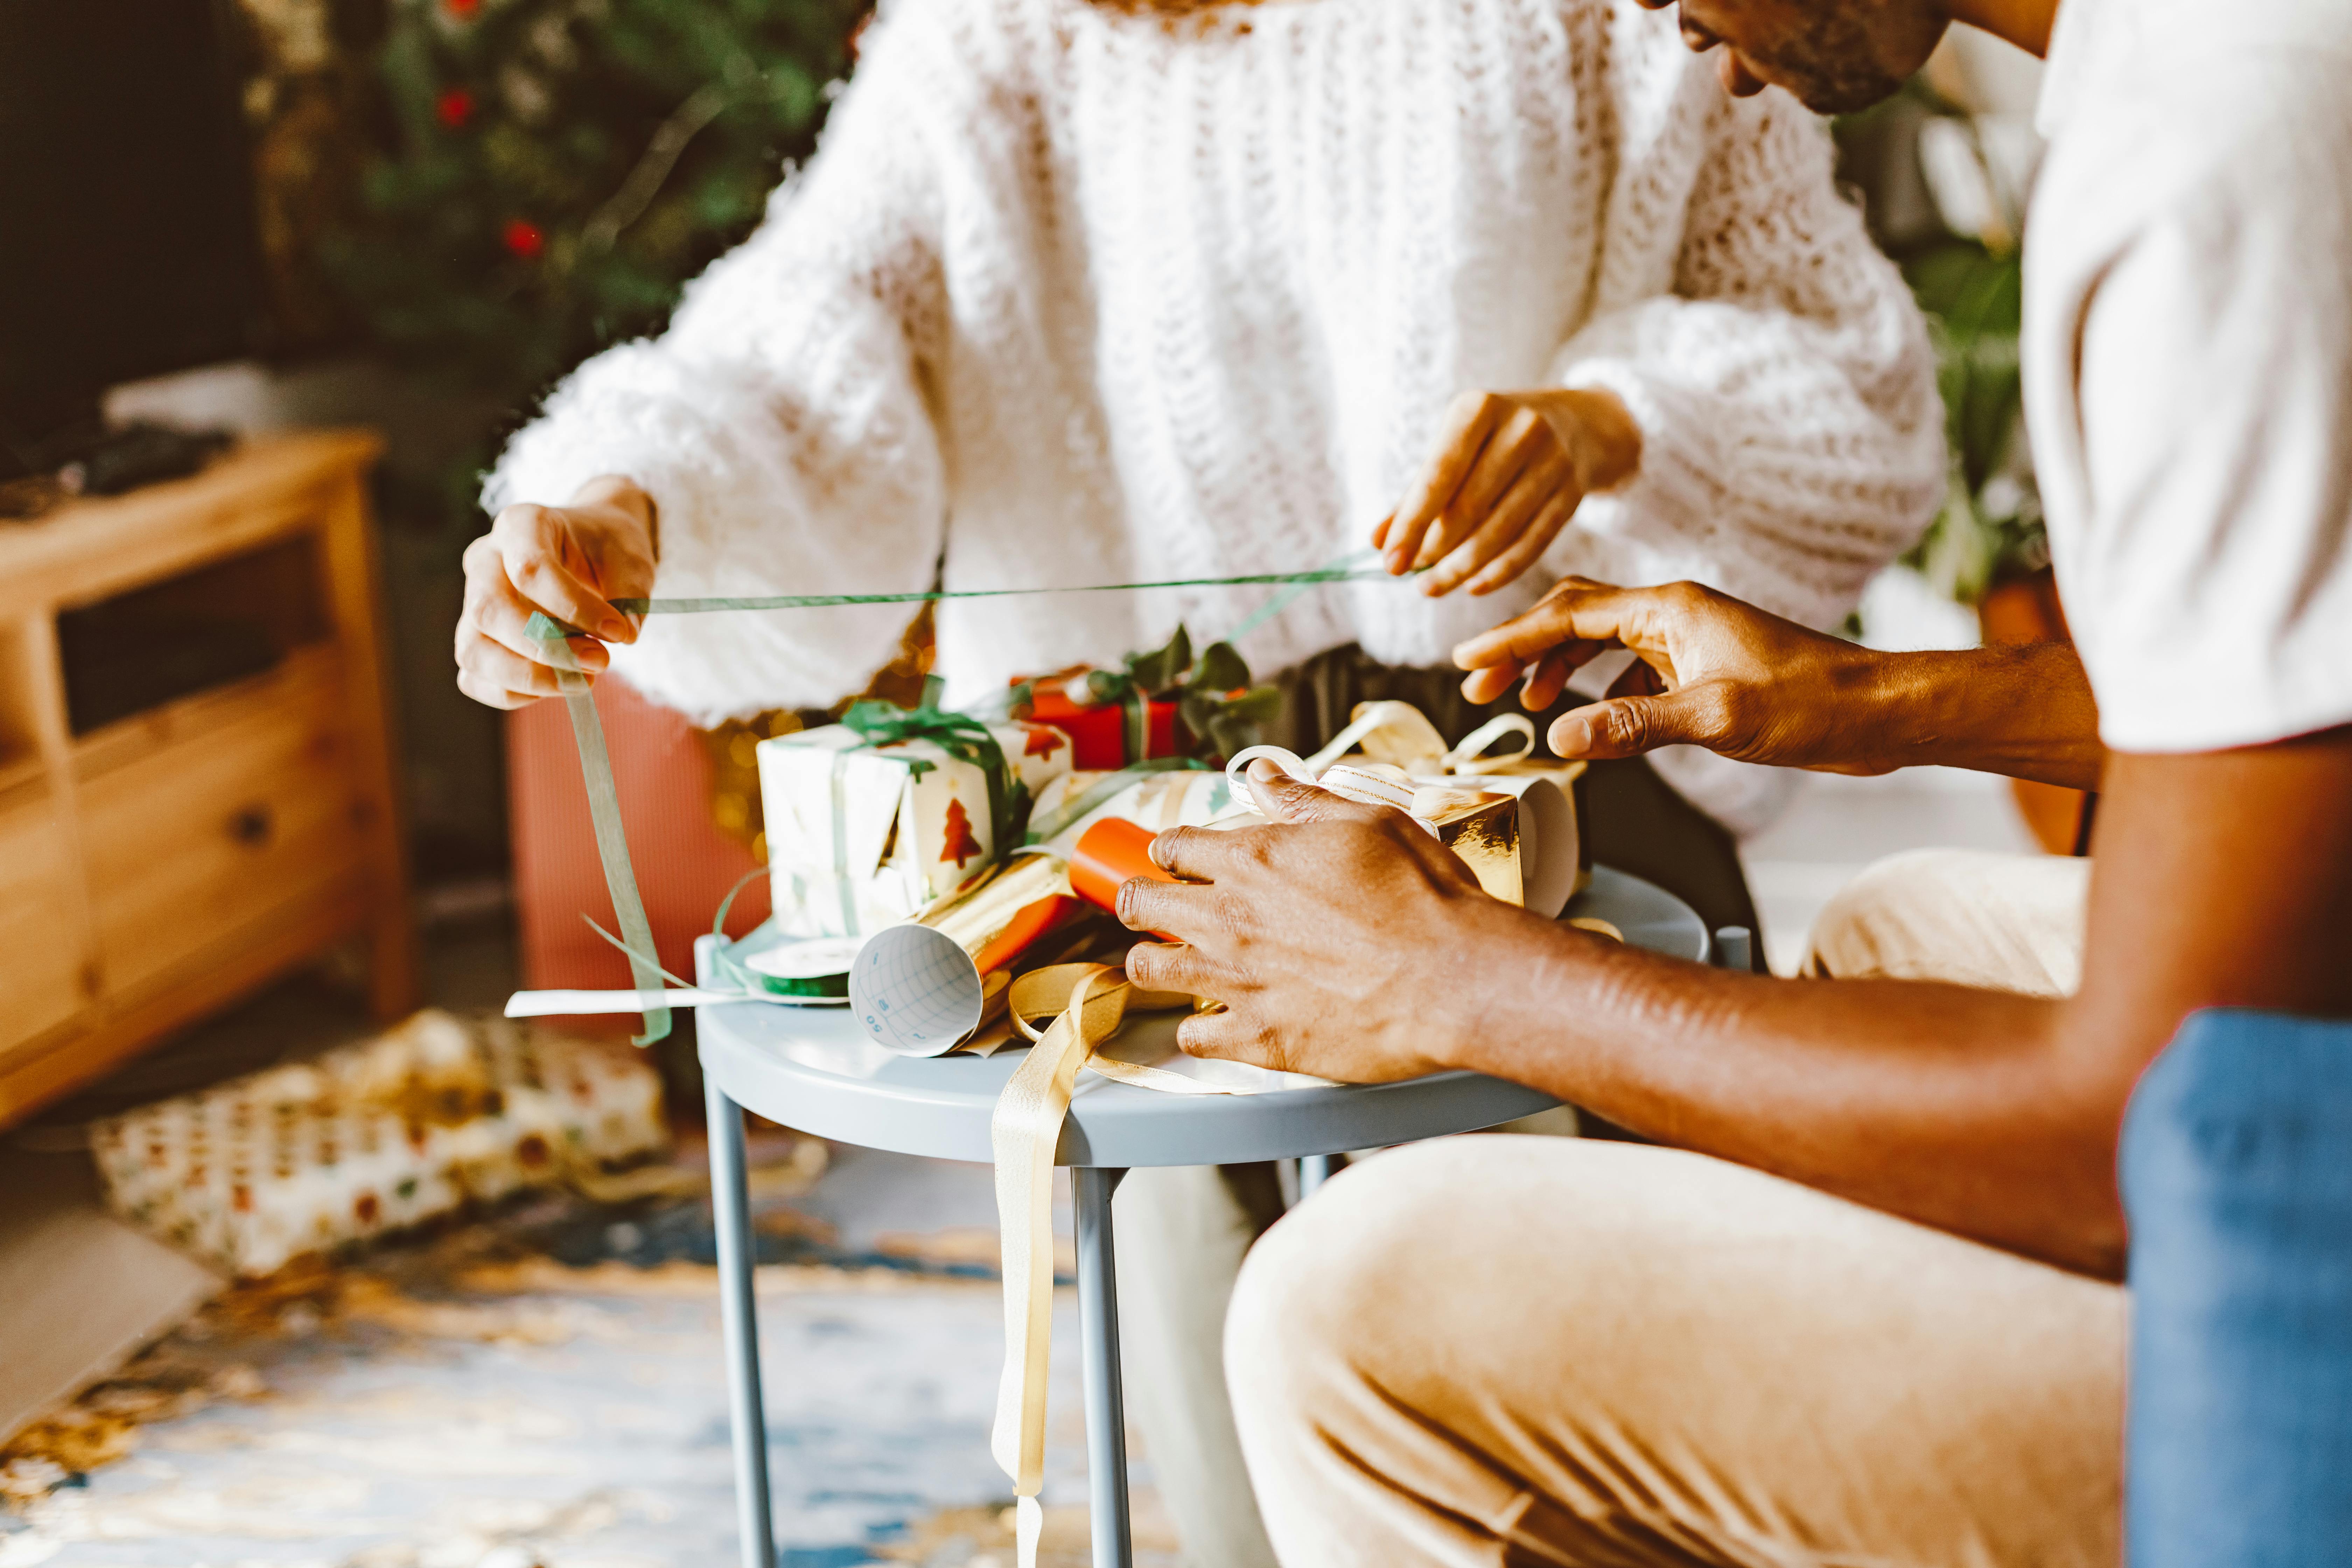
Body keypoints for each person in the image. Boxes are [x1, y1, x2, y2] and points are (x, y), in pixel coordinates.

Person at [452, 0, 1944, 1558]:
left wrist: (1611, 424)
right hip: (1147, 869)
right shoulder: (994, 44)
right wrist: (628, 503)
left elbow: (1857, 387)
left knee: (1641, 1412)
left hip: (1531, 790)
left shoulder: (1615, 16)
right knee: (1250, 1442)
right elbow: (796, 346)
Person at [1115, 0, 2352, 1560]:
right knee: (1891, 927)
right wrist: (1878, 698)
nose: (1647, 19)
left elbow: (2150, 1128)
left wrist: (1470, 980)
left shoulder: (2221, 148)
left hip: (2302, 1339)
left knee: (1346, 1300)